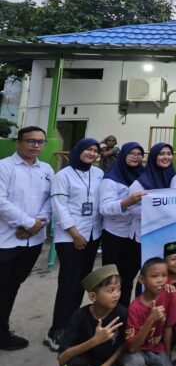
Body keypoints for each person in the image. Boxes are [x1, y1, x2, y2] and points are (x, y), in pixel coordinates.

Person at [45, 138, 104, 352]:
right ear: (78, 150)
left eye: (95, 150)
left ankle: (72, 324)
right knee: (68, 283)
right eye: (87, 149)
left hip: (92, 234)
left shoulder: (98, 174)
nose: (91, 153)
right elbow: (59, 206)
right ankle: (57, 329)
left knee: (82, 282)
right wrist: (74, 233)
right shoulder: (63, 175)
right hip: (70, 237)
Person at [0, 125, 54, 350]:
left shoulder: (47, 169)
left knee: (13, 285)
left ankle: (2, 329)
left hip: (33, 241)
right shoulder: (5, 167)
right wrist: (27, 223)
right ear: (18, 142)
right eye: (31, 141)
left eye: (40, 142)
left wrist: (37, 222)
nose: (36, 146)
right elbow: (1, 201)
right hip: (6, 240)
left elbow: (52, 200)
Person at [118, 257, 176, 366]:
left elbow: (168, 327)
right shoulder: (135, 307)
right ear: (142, 279)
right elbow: (132, 347)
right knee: (134, 364)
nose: (161, 280)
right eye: (154, 276)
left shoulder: (168, 294)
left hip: (155, 348)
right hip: (136, 350)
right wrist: (150, 319)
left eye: (164, 275)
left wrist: (168, 356)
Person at [99, 142, 145, 309]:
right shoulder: (111, 179)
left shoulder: (143, 176)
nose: (135, 156)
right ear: (123, 154)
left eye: (139, 153)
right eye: (131, 153)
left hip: (133, 236)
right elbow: (104, 208)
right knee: (111, 281)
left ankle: (124, 316)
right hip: (114, 235)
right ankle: (107, 316)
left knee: (128, 279)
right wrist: (126, 203)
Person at [127, 142, 176, 244]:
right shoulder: (140, 182)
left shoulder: (174, 178)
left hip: (167, 234)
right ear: (154, 156)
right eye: (161, 154)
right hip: (143, 236)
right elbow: (132, 209)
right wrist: (159, 211)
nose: (166, 157)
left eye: (169, 153)